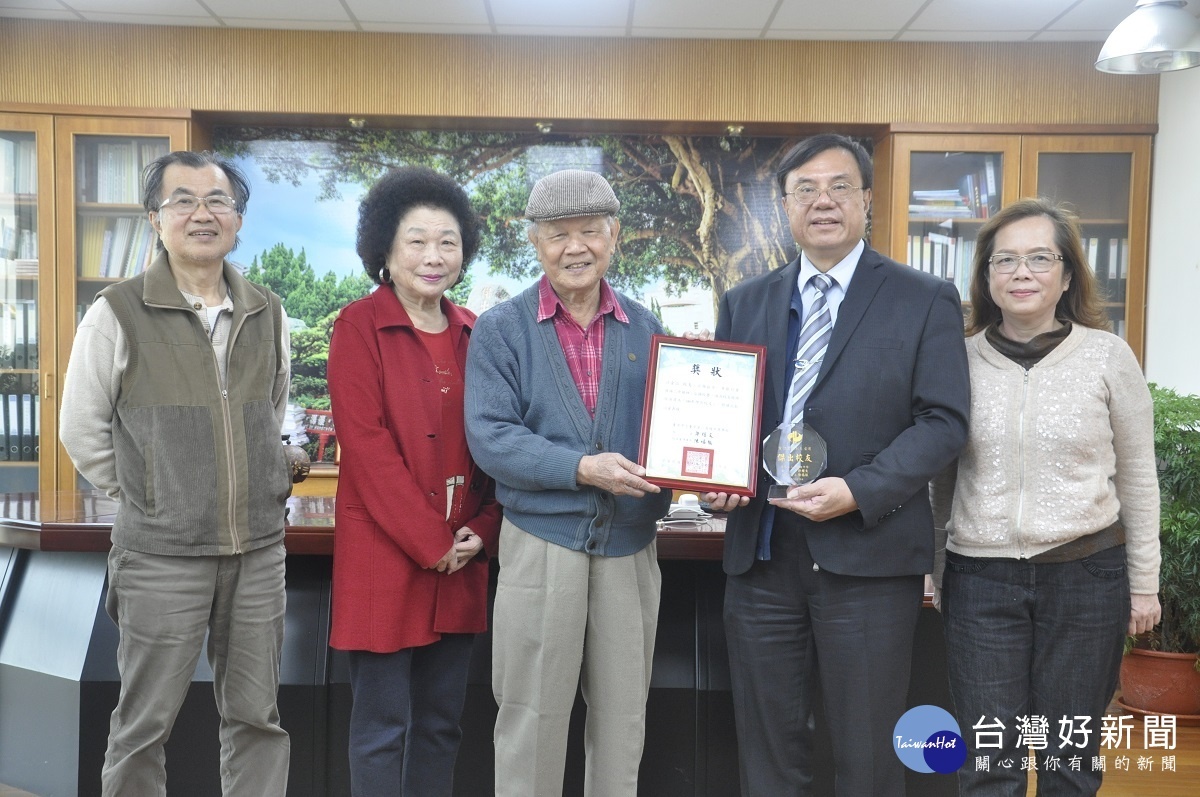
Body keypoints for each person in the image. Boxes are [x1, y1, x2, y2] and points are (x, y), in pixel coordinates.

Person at [703, 133, 971, 796]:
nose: (823, 201)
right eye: (805, 190)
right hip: (762, 556)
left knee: (869, 754)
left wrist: (858, 489)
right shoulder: (746, 300)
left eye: (839, 187)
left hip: (868, 558)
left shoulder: (923, 297)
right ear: (786, 208)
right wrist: (715, 479)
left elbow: (944, 422)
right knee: (767, 748)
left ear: (867, 200)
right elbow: (724, 413)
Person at [59, 150, 292, 796]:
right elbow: (81, 430)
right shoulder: (117, 312)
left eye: (217, 201)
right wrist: (154, 493)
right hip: (160, 555)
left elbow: (269, 417)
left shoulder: (266, 312)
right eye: (182, 200)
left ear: (238, 221)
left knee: (256, 719)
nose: (201, 214)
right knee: (142, 725)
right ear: (156, 220)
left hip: (256, 553)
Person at [930, 198, 1160, 795]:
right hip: (979, 581)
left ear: (1066, 275)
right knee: (988, 761)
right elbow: (941, 479)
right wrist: (932, 570)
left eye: (1039, 258)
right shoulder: (957, 360)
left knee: (1069, 759)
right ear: (985, 277)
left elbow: (1138, 477)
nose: (1021, 273)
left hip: (1086, 577)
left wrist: (1144, 584)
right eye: (1004, 260)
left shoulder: (1108, 357)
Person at [465, 169, 672, 797]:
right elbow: (491, 437)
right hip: (539, 543)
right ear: (534, 242)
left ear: (615, 237)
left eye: (590, 231)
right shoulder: (502, 328)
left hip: (630, 546)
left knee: (622, 717)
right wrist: (582, 468)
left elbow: (669, 432)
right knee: (530, 713)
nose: (575, 247)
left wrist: (700, 477)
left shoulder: (646, 325)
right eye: (559, 234)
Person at [326, 166, 502, 796]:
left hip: (465, 555)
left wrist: (480, 533)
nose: (434, 256)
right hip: (388, 557)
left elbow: (497, 445)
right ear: (385, 250)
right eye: (417, 241)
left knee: (440, 725)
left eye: (448, 242)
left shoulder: (479, 333)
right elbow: (367, 450)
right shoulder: (357, 326)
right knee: (381, 727)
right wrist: (433, 545)